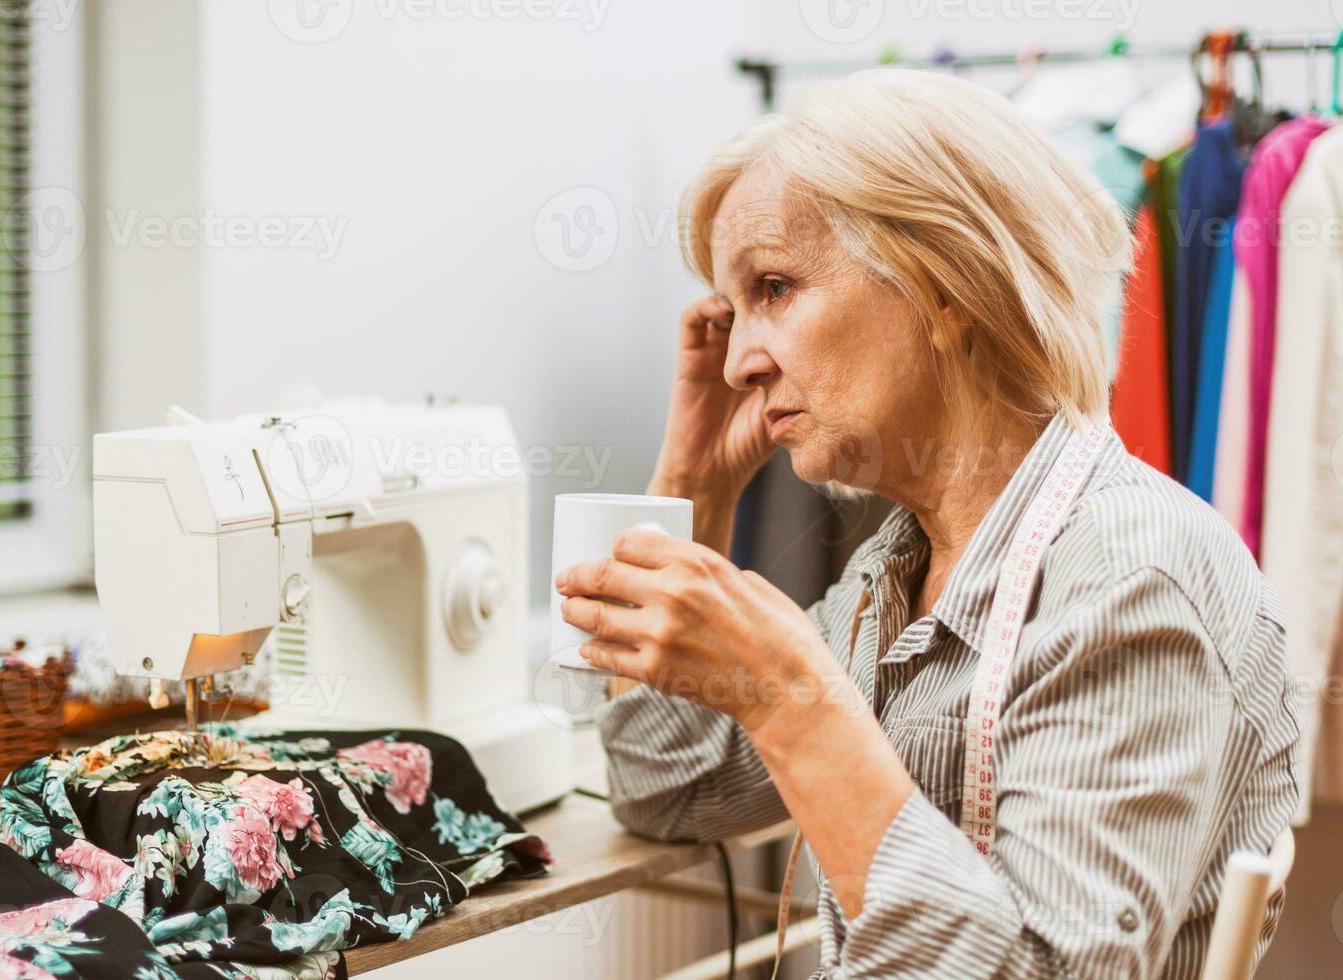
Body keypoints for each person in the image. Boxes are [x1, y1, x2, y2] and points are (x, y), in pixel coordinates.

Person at [553, 68, 1299, 978]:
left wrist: (791, 703)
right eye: (734, 306)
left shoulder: (1126, 576)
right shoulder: (901, 568)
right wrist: (691, 494)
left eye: (776, 287)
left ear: (943, 283)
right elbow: (671, 790)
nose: (740, 362)